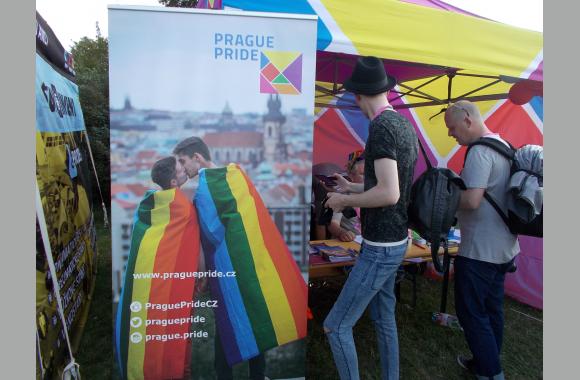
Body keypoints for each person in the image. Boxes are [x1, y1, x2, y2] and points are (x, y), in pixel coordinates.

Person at [323, 56, 418, 380]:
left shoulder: (380, 127)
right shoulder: (404, 124)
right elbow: (390, 184)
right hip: (396, 241)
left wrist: (344, 198)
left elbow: (389, 194)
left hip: (380, 246)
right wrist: (352, 185)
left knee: (335, 326)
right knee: (383, 317)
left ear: (358, 96)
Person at [173, 137, 267, 380]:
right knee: (254, 317)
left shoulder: (204, 189)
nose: (183, 169)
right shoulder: (234, 174)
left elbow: (209, 235)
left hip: (222, 266)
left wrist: (202, 271)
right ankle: (257, 375)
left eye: (183, 162)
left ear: (197, 157)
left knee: (225, 323)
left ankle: (224, 376)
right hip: (247, 261)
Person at [444, 101, 519, 380]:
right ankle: (484, 362)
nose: (452, 134)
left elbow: (472, 200)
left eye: (452, 128)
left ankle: (491, 372)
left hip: (479, 250)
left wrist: (446, 198)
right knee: (492, 310)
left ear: (467, 120)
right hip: (505, 247)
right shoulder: (504, 146)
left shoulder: (478, 151)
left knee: (471, 313)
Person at [327, 150, 365, 242]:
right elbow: (333, 225)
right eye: (363, 174)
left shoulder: (377, 195)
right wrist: (342, 233)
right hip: (349, 243)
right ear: (351, 175)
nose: (368, 178)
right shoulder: (342, 196)